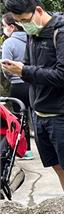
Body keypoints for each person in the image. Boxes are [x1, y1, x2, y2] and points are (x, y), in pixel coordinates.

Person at [2, 0, 64, 194]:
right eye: (19, 23)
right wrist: (18, 70)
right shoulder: (33, 35)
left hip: (63, 114)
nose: (24, 26)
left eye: (25, 20)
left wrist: (25, 71)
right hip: (41, 114)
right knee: (59, 168)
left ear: (39, 10)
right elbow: (30, 67)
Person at [1, 13, 33, 157]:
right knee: (37, 115)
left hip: (18, 85)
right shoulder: (31, 38)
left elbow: (5, 66)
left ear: (11, 27)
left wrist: (11, 78)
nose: (3, 28)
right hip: (35, 83)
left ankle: (26, 150)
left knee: (20, 117)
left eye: (3, 25)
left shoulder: (9, 43)